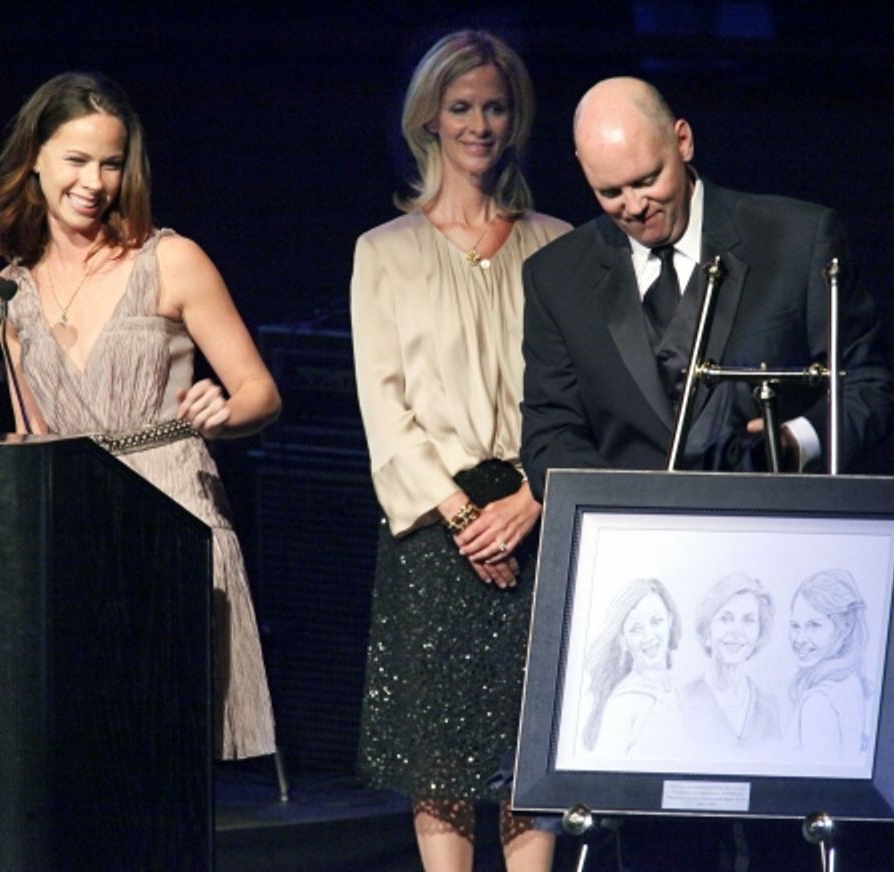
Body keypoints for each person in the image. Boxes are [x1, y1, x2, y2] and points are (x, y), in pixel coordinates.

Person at [0, 72, 281, 760]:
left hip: (171, 516)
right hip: (74, 529)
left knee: (164, 751)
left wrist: (225, 412)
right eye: (76, 160)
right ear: (35, 159)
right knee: (85, 760)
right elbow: (31, 435)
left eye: (111, 164)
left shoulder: (170, 260)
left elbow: (261, 392)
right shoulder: (10, 289)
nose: (95, 181)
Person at [351, 31, 570, 872]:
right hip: (436, 532)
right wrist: (463, 518)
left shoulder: (558, 244)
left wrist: (531, 501)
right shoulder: (384, 252)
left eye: (495, 107)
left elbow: (581, 399)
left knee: (530, 748)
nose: (480, 124)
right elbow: (386, 407)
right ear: (429, 120)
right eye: (462, 107)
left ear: (515, 121)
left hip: (535, 512)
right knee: (441, 762)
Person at [520, 77, 894, 497]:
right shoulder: (556, 276)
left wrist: (794, 442)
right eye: (610, 192)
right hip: (635, 549)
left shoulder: (799, 239)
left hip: (773, 530)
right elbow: (550, 435)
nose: (635, 207)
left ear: (683, 141)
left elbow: (866, 387)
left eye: (646, 181)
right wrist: (625, 508)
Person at [581, 577, 684, 757]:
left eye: (656, 621)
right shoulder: (623, 705)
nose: (649, 637)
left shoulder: (680, 689)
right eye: (635, 629)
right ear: (623, 639)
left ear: (670, 620)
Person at [679, 572, 781, 752]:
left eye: (748, 620)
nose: (736, 631)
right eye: (725, 619)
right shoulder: (681, 701)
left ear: (759, 633)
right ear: (707, 630)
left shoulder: (769, 707)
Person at [788, 568, 871, 761]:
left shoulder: (819, 701)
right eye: (795, 626)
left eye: (814, 626)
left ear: (845, 627)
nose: (800, 639)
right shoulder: (850, 681)